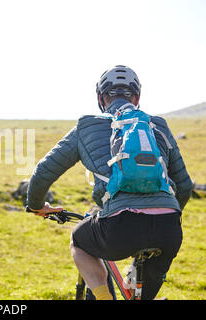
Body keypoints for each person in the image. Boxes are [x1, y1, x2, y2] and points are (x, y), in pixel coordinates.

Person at [26, 65, 193, 300]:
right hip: (169, 229)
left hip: (119, 227)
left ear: (100, 98)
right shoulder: (158, 126)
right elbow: (184, 186)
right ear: (136, 97)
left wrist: (36, 205)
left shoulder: (87, 126)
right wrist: (167, 215)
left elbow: (43, 172)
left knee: (79, 240)